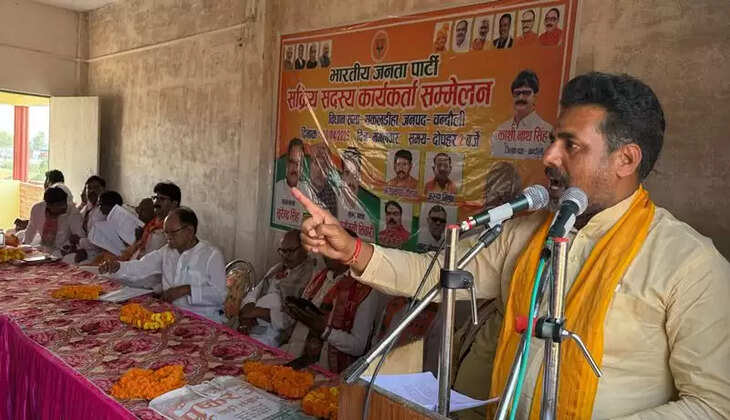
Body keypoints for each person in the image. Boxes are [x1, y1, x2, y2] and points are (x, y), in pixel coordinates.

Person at [292, 72, 730, 419]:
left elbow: (714, 404)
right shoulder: (528, 232)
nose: (549, 157)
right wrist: (351, 249)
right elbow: (438, 274)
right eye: (553, 140)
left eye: (571, 145)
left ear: (626, 159)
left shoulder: (688, 263)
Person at [100, 207, 227, 323]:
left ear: (189, 231)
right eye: (166, 233)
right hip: (172, 315)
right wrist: (118, 267)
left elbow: (220, 295)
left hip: (204, 319)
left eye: (173, 233)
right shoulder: (167, 251)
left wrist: (187, 290)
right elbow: (141, 266)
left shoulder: (211, 255)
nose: (168, 237)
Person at [238, 230, 316, 347]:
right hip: (254, 324)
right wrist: (248, 311)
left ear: (305, 249)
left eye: (290, 251)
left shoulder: (311, 275)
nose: (286, 256)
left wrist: (259, 312)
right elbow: (255, 293)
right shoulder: (278, 268)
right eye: (283, 251)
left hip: (277, 335)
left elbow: (292, 318)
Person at [490, 70, 553, 159]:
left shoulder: (547, 132)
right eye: (517, 93)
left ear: (535, 97)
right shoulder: (500, 131)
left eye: (526, 93)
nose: (520, 97)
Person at [23, 187, 83, 252]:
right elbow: (31, 229)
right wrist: (24, 246)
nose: (64, 207)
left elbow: (79, 236)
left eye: (64, 203)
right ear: (48, 205)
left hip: (62, 251)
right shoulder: (37, 209)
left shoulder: (73, 213)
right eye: (59, 205)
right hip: (43, 248)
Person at [273, 138, 312, 228]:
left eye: (298, 163)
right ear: (287, 163)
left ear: (302, 166)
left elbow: (307, 225)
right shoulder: (276, 189)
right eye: (292, 162)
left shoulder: (307, 192)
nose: (295, 168)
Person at [74, 175, 107, 263]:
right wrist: (79, 248)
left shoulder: (103, 211)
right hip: (84, 251)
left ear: (103, 190)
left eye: (96, 187)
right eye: (89, 188)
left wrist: (79, 241)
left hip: (99, 255)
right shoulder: (85, 209)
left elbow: (98, 242)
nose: (92, 191)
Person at [309, 144, 338, 217]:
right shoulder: (301, 188)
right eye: (316, 163)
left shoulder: (331, 195)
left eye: (324, 165)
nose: (320, 170)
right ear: (310, 165)